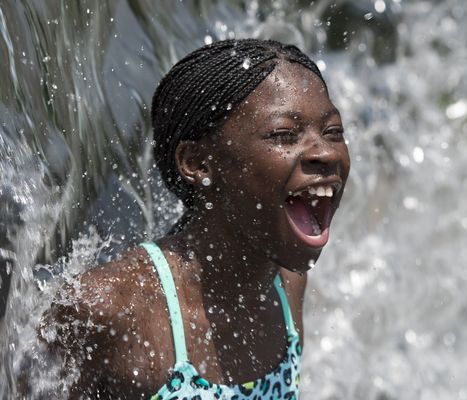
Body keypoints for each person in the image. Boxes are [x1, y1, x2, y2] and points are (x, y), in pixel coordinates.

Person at [38, 38, 350, 399]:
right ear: (198, 163)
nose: (325, 152)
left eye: (333, 132)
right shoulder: (110, 310)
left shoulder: (287, 284)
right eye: (284, 135)